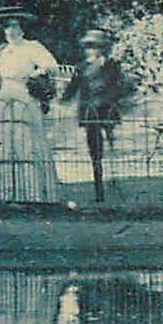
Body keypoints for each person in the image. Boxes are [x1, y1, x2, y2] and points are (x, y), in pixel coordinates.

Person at [0, 6, 62, 204]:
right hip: (5, 95)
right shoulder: (1, 51)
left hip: (24, 94)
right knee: (5, 141)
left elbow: (51, 65)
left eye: (15, 27)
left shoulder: (32, 47)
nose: (11, 31)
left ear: (22, 28)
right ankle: (6, 193)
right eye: (7, 28)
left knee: (25, 140)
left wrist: (35, 74)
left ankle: (32, 192)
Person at [61, 29, 127, 202]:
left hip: (107, 111)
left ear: (104, 48)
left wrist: (108, 99)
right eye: (89, 47)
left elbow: (120, 87)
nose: (93, 50)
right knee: (95, 152)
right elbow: (71, 89)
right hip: (89, 114)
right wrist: (62, 100)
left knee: (112, 149)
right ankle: (99, 190)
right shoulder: (82, 68)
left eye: (97, 47)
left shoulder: (112, 65)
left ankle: (114, 182)